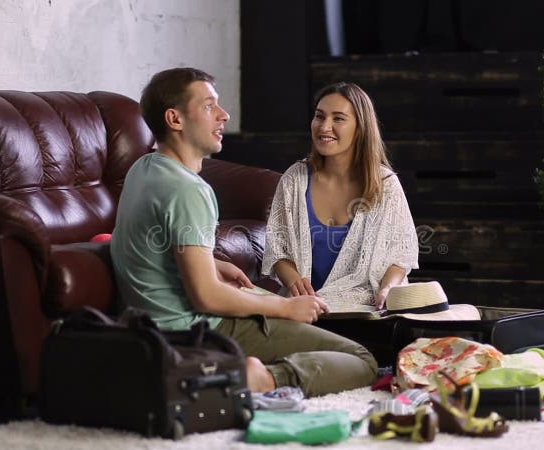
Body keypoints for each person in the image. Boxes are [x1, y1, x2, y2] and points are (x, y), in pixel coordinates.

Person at [110, 68, 377, 397]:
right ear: (174, 119)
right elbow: (206, 297)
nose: (224, 115)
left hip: (150, 326)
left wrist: (208, 261)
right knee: (361, 359)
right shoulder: (188, 190)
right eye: (209, 106)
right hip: (196, 330)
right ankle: (261, 379)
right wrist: (286, 308)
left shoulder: (144, 168)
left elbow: (148, 244)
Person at [262, 82, 419, 310]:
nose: (324, 127)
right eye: (319, 116)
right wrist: (294, 282)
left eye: (338, 119)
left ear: (360, 127)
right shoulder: (294, 179)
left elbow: (400, 255)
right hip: (304, 309)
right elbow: (278, 250)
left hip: (365, 307)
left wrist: (388, 289)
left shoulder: (385, 184)